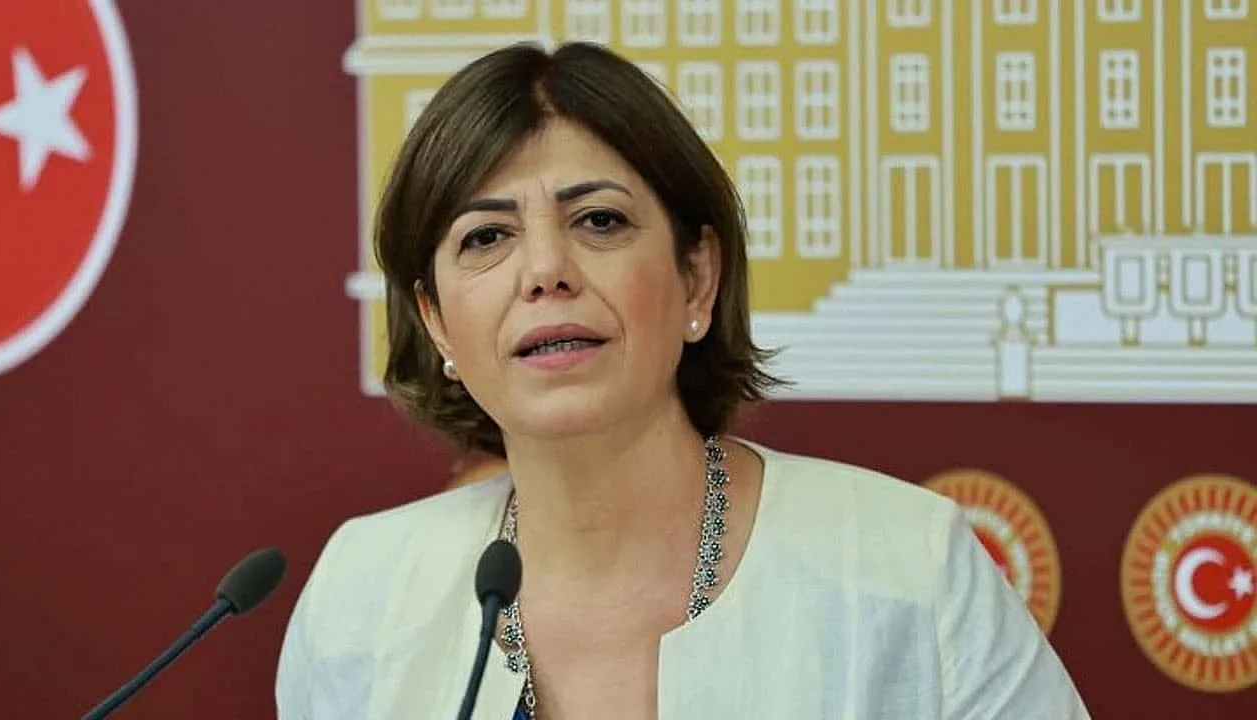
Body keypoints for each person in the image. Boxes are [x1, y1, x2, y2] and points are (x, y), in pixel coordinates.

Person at [275, 41, 1091, 720]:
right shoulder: (362, 594)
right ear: (435, 320)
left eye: (599, 220)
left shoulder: (908, 568)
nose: (546, 270)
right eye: (486, 237)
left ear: (697, 278)